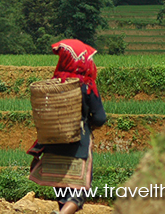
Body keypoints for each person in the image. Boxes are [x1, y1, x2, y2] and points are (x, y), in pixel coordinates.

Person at [28, 40, 107, 214]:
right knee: (80, 193)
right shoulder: (86, 86)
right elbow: (101, 118)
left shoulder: (53, 86)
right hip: (77, 148)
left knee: (63, 193)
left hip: (52, 147)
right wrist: (89, 125)